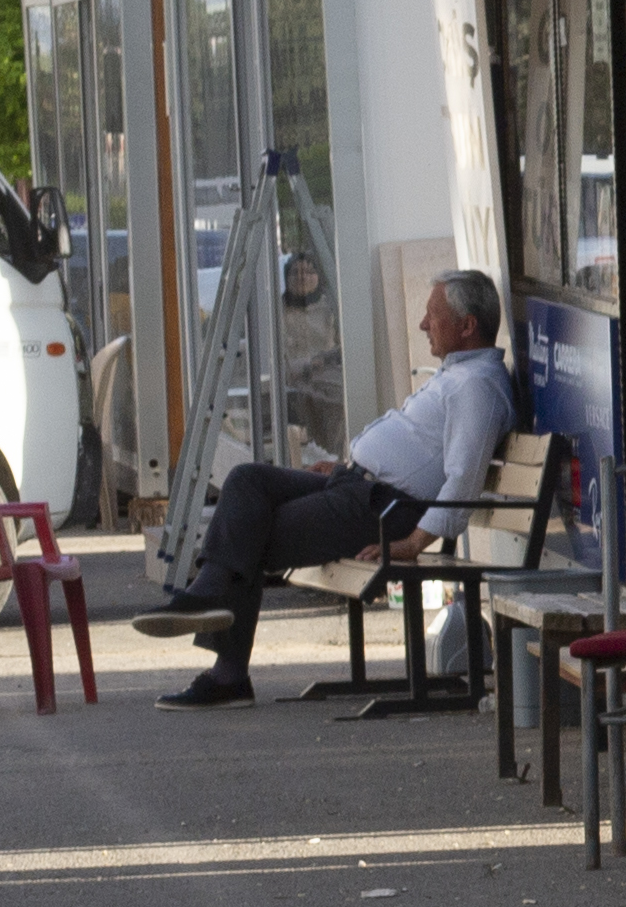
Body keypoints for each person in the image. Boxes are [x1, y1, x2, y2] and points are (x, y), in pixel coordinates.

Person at [136, 269, 516, 710]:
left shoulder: (477, 388)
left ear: (467, 325)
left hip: (381, 507)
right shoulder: (460, 374)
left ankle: (225, 665)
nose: (422, 324)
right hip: (357, 485)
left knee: (249, 532)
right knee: (247, 481)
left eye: (433, 315)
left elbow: (463, 479)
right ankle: (210, 596)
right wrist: (347, 467)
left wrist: (414, 542)